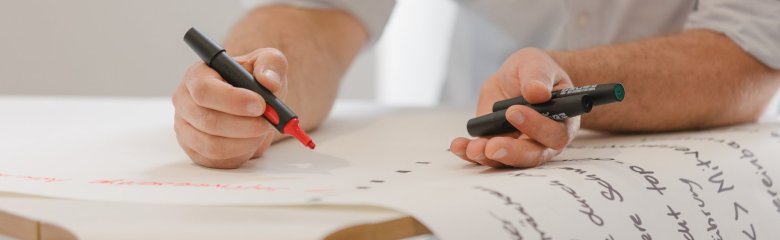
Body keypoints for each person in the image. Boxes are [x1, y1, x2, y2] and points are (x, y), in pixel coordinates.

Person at [171, 0, 780, 169]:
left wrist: (569, 78)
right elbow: (320, 13)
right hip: (467, 164)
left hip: (678, 173)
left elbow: (747, 53)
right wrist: (261, 80)